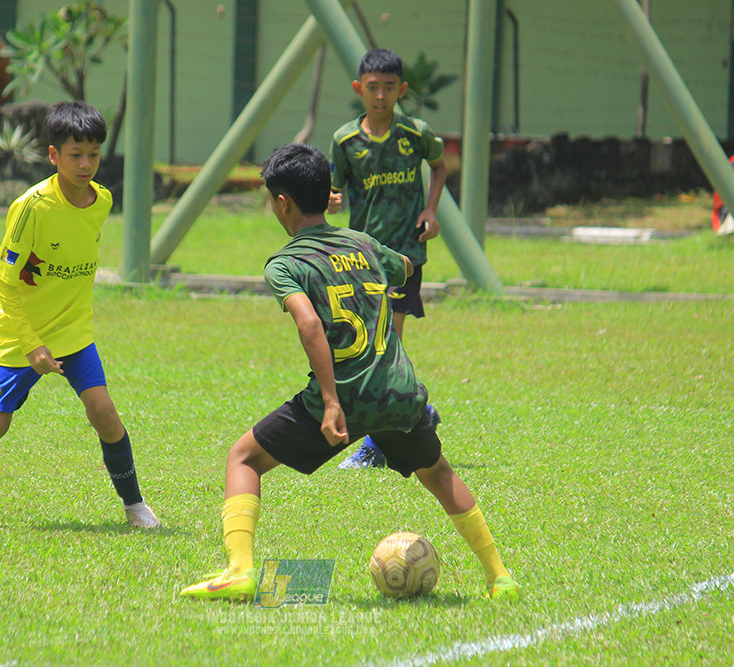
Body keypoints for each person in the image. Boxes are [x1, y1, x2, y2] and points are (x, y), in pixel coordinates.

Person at [180, 143, 518, 602]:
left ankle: (240, 569)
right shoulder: (363, 244)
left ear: (283, 202)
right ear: (327, 194)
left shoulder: (286, 264)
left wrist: (332, 401)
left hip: (344, 398)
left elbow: (308, 323)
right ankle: (499, 577)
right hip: (398, 391)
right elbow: (402, 269)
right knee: (437, 473)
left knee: (244, 459)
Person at [0, 101, 160, 529]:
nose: (86, 164)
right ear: (53, 155)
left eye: (94, 154)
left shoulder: (103, 202)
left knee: (104, 413)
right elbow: (9, 275)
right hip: (17, 331)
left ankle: (135, 506)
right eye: (75, 154)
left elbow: (40, 256)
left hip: (73, 329)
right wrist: (30, 341)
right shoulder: (31, 205)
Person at [329, 48, 448, 469]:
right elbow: (333, 189)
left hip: (405, 257)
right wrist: (329, 198)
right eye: (373, 88)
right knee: (371, 346)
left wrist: (430, 209)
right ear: (359, 89)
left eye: (389, 88)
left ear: (403, 90)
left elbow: (441, 164)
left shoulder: (415, 132)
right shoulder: (345, 140)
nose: (381, 96)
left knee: (385, 346)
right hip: (361, 259)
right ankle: (418, 412)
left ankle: (376, 445)